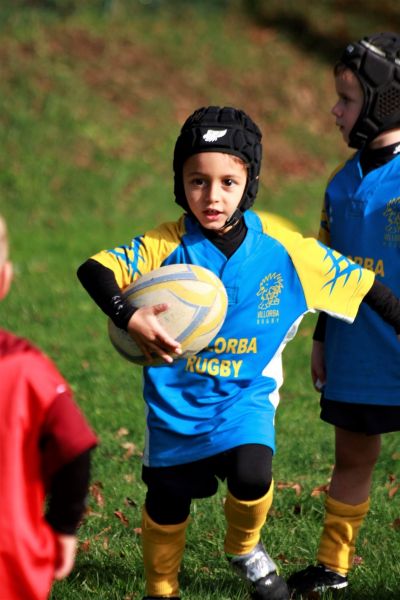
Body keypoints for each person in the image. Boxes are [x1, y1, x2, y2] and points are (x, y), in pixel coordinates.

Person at [77, 105, 400, 600]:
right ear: (179, 182)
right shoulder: (163, 244)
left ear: (248, 183)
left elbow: (367, 287)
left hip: (244, 401)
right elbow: (94, 271)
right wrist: (129, 315)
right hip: (174, 407)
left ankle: (244, 549)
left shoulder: (286, 251)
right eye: (197, 181)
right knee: (168, 500)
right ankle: (160, 589)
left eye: (228, 182)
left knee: (253, 473)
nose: (211, 195)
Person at [287, 32, 400, 597]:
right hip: (358, 352)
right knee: (351, 458)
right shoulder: (339, 184)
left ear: (385, 103)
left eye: (347, 99)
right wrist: (323, 337)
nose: (335, 109)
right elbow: (330, 273)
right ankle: (333, 567)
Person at [0, 214, 98, 600]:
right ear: (4, 280)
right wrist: (62, 530)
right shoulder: (24, 368)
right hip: (11, 562)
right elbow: (74, 449)